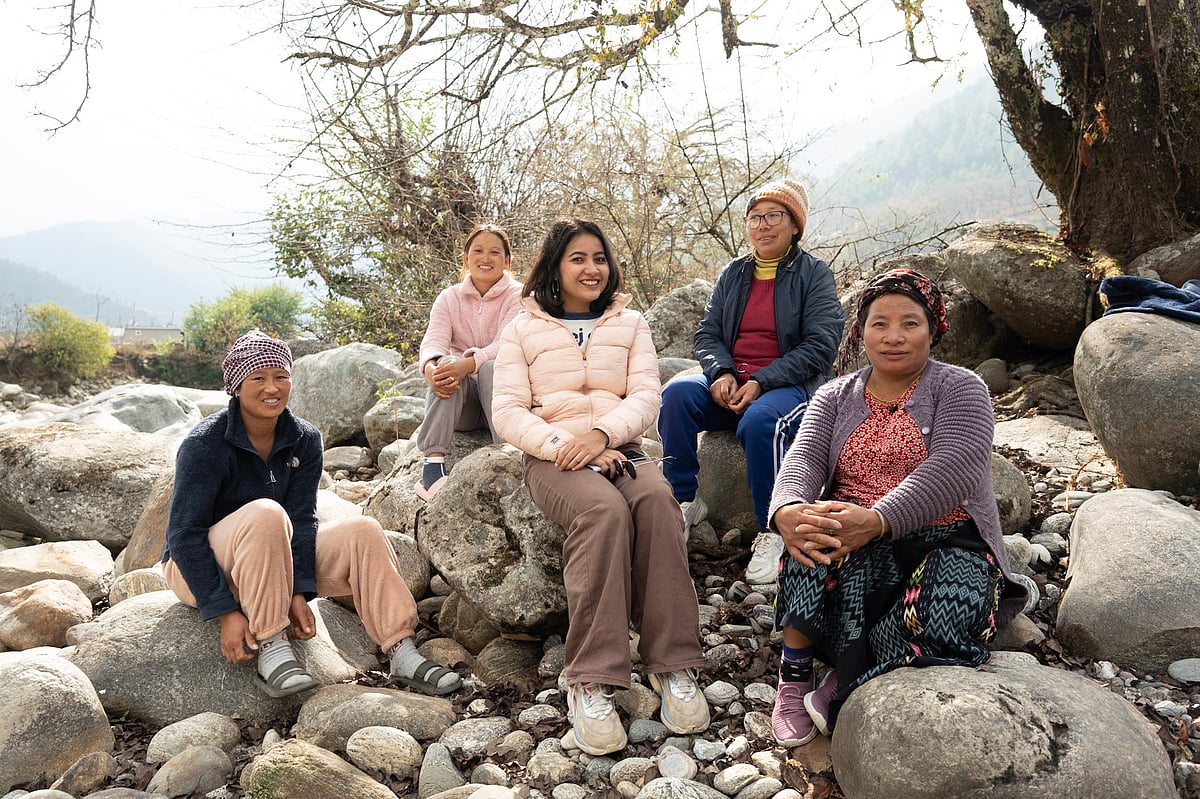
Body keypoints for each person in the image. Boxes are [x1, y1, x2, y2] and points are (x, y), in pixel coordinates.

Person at [766, 269, 1029, 746]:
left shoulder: (961, 388)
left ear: (933, 330)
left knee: (950, 614)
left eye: (910, 323)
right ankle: (796, 671)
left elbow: (955, 468)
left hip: (947, 536)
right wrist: (786, 508)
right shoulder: (834, 395)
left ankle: (851, 672)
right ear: (860, 330)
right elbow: (802, 458)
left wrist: (879, 519)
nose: (893, 337)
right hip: (852, 532)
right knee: (811, 531)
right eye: (879, 323)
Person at [492, 218, 710, 756]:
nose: (592, 269)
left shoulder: (631, 323)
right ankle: (590, 676)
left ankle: (673, 663)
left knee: (659, 504)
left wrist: (603, 435)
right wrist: (567, 443)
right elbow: (507, 410)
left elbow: (645, 397)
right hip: (555, 458)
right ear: (554, 267)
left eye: (599, 258)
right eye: (578, 259)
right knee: (603, 513)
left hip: (621, 448)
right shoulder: (521, 328)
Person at [162, 330, 463, 698]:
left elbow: (302, 520)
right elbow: (184, 535)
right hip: (199, 566)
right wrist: (223, 611)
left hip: (275, 561)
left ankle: (400, 648)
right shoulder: (205, 444)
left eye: (280, 376)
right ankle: (272, 644)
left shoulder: (305, 439)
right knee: (266, 513)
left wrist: (299, 592)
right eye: (258, 378)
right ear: (236, 387)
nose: (271, 387)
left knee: (363, 530)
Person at [658, 178, 844, 584]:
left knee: (760, 423)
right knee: (675, 395)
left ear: (794, 225)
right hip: (733, 382)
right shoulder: (734, 274)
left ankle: (774, 528)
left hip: (789, 386)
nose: (762, 225)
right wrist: (721, 371)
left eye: (773, 216)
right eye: (755, 217)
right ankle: (684, 500)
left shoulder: (814, 275)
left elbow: (821, 347)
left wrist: (761, 380)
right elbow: (707, 334)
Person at [416, 223, 524, 499]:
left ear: (507, 260)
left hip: (500, 403)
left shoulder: (519, 296)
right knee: (445, 363)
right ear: (466, 258)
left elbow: (508, 343)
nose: (485, 258)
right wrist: (430, 368)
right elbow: (433, 341)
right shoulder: (449, 298)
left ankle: (508, 454)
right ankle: (432, 467)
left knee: (490, 366)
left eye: (494, 252)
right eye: (478, 251)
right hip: (461, 405)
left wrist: (469, 363)